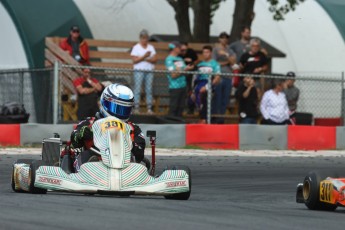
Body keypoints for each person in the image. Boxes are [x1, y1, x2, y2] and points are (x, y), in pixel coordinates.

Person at [69, 83, 146, 171]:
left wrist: (128, 142)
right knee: (82, 153)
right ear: (104, 102)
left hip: (124, 170)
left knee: (137, 163)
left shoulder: (133, 129)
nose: (119, 113)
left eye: (124, 110)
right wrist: (82, 135)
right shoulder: (89, 123)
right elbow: (74, 143)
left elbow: (139, 155)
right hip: (93, 168)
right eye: (116, 108)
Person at [130, 29, 157, 114]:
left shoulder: (151, 47)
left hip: (149, 70)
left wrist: (142, 58)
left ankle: (149, 108)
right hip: (139, 70)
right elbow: (134, 60)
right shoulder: (136, 47)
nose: (144, 40)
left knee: (149, 89)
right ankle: (136, 107)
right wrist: (145, 56)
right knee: (137, 89)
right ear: (140, 38)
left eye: (146, 38)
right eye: (143, 38)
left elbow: (155, 59)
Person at [192, 45, 221, 123]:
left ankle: (204, 119)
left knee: (204, 97)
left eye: (207, 52)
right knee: (193, 99)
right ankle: (201, 118)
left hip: (209, 84)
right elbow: (195, 78)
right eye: (204, 52)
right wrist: (193, 90)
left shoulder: (215, 64)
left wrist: (207, 86)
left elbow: (217, 78)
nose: (205, 54)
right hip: (199, 84)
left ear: (211, 53)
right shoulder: (200, 64)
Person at [212, 32, 237, 123]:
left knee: (225, 98)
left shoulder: (229, 50)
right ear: (219, 39)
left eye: (226, 38)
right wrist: (226, 62)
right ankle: (215, 117)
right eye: (222, 38)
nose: (224, 39)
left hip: (228, 77)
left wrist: (226, 55)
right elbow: (214, 63)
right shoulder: (215, 49)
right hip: (219, 76)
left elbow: (233, 62)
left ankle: (221, 118)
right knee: (217, 97)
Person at [165, 41, 194, 118]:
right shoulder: (169, 59)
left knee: (181, 108)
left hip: (183, 85)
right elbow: (173, 75)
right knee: (174, 107)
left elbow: (182, 71)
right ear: (174, 49)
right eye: (178, 47)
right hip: (174, 87)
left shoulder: (180, 59)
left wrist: (183, 70)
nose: (180, 48)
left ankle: (178, 125)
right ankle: (171, 124)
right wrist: (183, 70)